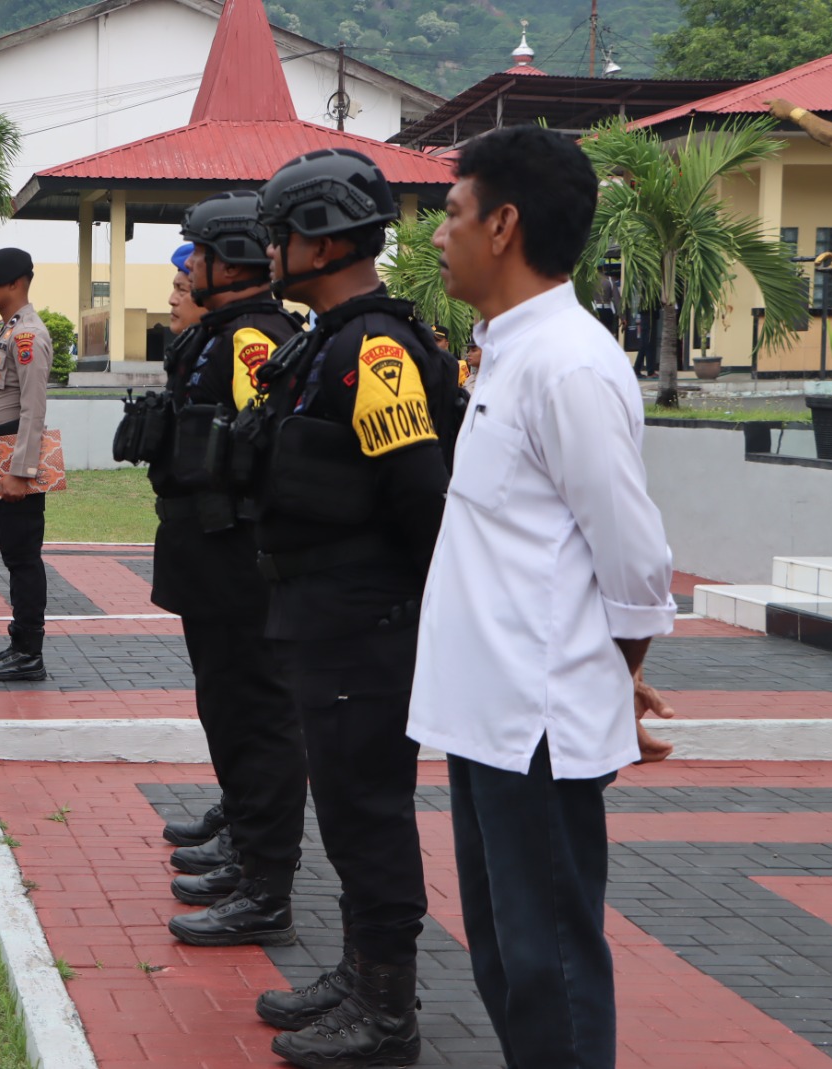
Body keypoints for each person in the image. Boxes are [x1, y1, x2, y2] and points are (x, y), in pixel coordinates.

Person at [408, 124, 677, 1069]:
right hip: (489, 711)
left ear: (504, 224)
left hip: (536, 720)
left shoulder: (568, 362)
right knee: (504, 957)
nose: (439, 234)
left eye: (451, 213)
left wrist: (614, 676)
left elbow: (636, 559)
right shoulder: (507, 350)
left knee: (549, 958)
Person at [244, 149, 459, 1069]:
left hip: (363, 621)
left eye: (283, 232)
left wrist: (398, 616)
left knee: (367, 808)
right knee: (344, 803)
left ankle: (387, 1010)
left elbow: (421, 499)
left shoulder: (373, 349)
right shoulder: (323, 338)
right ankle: (360, 968)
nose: (271, 249)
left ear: (324, 239)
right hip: (325, 611)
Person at [134, 199, 309, 951]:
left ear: (230, 261)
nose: (188, 267)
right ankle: (243, 837)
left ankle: (263, 878)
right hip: (207, 550)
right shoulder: (221, 333)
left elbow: (264, 453)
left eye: (198, 253)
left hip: (237, 556)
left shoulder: (251, 339)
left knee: (257, 714)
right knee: (225, 704)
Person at [0, 247, 52, 682]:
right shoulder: (10, 331)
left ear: (15, 284)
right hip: (0, 451)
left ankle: (27, 652)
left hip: (15, 460)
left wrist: (20, 471)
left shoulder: (27, 336)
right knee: (13, 553)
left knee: (22, 557)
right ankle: (21, 647)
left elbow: (32, 407)